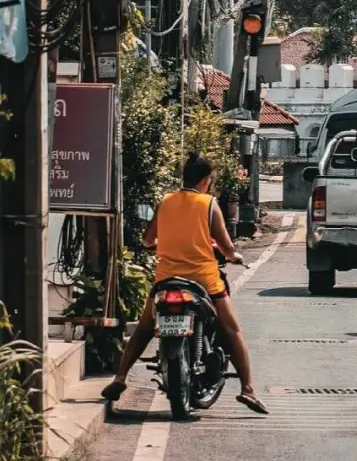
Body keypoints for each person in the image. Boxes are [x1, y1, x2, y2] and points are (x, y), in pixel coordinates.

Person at [101, 153, 266, 414]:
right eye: (210, 180)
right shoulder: (209, 204)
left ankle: (120, 377)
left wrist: (159, 245)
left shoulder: (166, 201)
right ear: (205, 181)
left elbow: (147, 239)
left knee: (144, 330)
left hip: (166, 279)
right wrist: (233, 256)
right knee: (232, 330)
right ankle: (248, 389)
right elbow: (226, 246)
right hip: (204, 280)